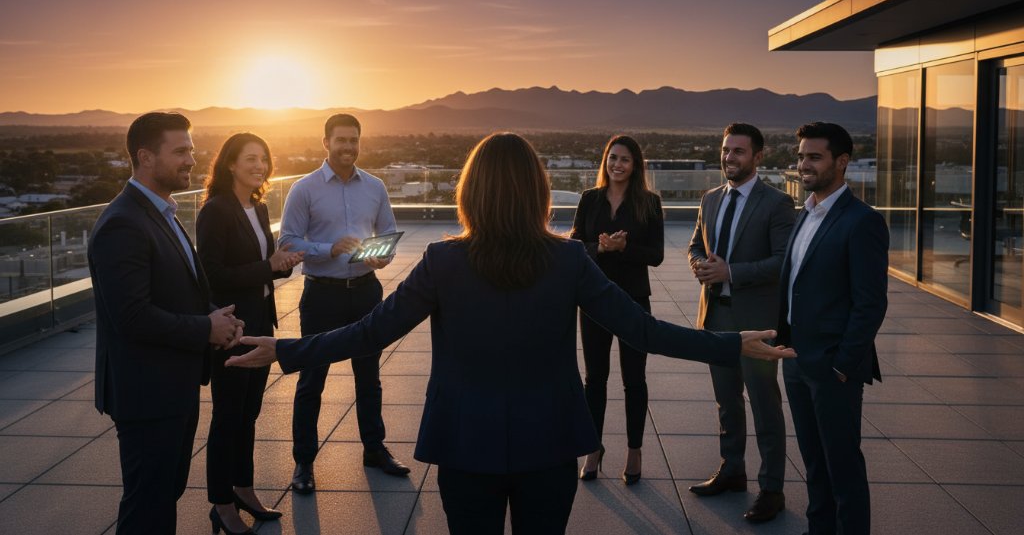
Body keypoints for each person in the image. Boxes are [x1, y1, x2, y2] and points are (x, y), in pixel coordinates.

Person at [227, 132, 796, 535]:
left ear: (471, 190)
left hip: (464, 442)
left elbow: (371, 332)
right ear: (538, 190)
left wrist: (286, 349)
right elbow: (642, 332)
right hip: (548, 444)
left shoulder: (443, 262)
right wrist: (730, 341)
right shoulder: (569, 259)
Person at [88, 112, 243, 535]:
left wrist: (218, 318)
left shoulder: (164, 211)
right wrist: (203, 329)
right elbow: (131, 316)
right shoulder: (123, 223)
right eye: (180, 151)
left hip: (173, 385)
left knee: (163, 495)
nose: (191, 159)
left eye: (191, 149)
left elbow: (182, 287)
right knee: (147, 507)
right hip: (146, 393)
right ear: (145, 157)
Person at [278, 113, 408, 494]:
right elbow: (288, 243)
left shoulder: (375, 186)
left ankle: (374, 448)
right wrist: (327, 248)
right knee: (311, 378)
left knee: (369, 377)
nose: (348, 147)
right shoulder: (304, 189)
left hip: (366, 290)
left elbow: (386, 234)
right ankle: (303, 462)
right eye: (341, 140)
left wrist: (381, 256)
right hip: (322, 294)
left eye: (354, 140)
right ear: (326, 143)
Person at [780, 122, 888, 535]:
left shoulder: (862, 222)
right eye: (802, 156)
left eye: (814, 157)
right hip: (795, 360)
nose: (804, 164)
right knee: (813, 465)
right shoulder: (802, 213)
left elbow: (870, 303)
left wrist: (843, 364)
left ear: (841, 163)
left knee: (842, 468)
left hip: (833, 369)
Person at [687, 123, 795, 522]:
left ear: (758, 157)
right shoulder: (710, 198)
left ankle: (772, 489)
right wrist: (700, 264)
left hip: (757, 322)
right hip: (716, 315)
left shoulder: (777, 203)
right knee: (726, 401)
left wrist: (732, 271)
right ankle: (732, 470)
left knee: (765, 403)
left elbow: (784, 261)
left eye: (738, 151)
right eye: (726, 150)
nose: (729, 157)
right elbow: (696, 244)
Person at [196, 133, 304, 534]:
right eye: (250, 159)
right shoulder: (216, 210)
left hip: (261, 321)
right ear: (230, 165)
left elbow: (265, 264)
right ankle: (221, 504)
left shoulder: (257, 208)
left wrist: (283, 264)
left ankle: (243, 488)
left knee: (249, 414)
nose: (259, 166)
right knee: (227, 417)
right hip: (232, 326)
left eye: (264, 159)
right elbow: (212, 276)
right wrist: (268, 267)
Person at [571, 135, 663, 485]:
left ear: (635, 165)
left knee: (634, 379)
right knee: (595, 379)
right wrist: (601, 247)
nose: (617, 165)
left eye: (625, 159)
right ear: (605, 161)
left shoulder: (649, 203)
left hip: (633, 300)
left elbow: (655, 254)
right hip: (594, 299)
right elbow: (576, 245)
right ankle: (593, 449)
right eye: (612, 158)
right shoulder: (589, 199)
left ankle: (634, 450)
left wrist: (624, 249)